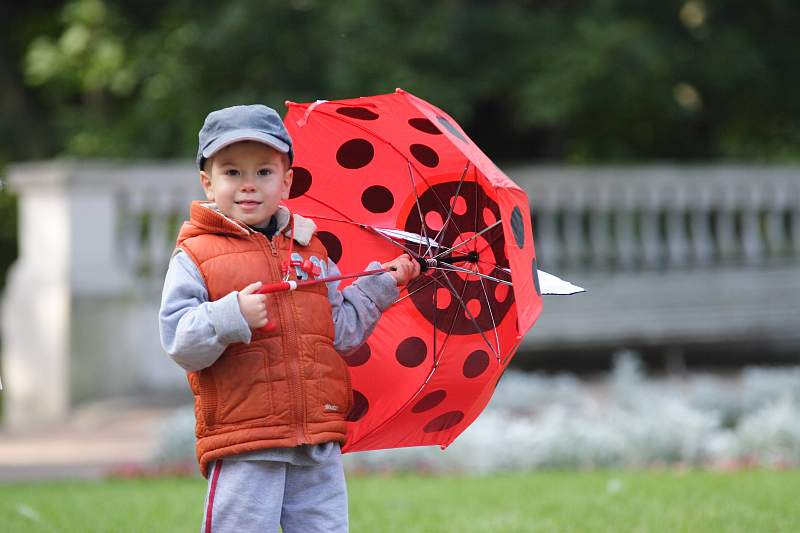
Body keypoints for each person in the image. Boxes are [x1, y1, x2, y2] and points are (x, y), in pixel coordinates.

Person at [159, 104, 420, 532]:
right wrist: (231, 315)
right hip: (248, 441)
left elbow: (341, 332)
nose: (248, 185)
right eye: (231, 173)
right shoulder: (197, 254)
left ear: (287, 182)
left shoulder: (311, 251)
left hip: (316, 439)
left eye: (263, 172)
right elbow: (179, 340)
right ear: (208, 183)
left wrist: (382, 284)